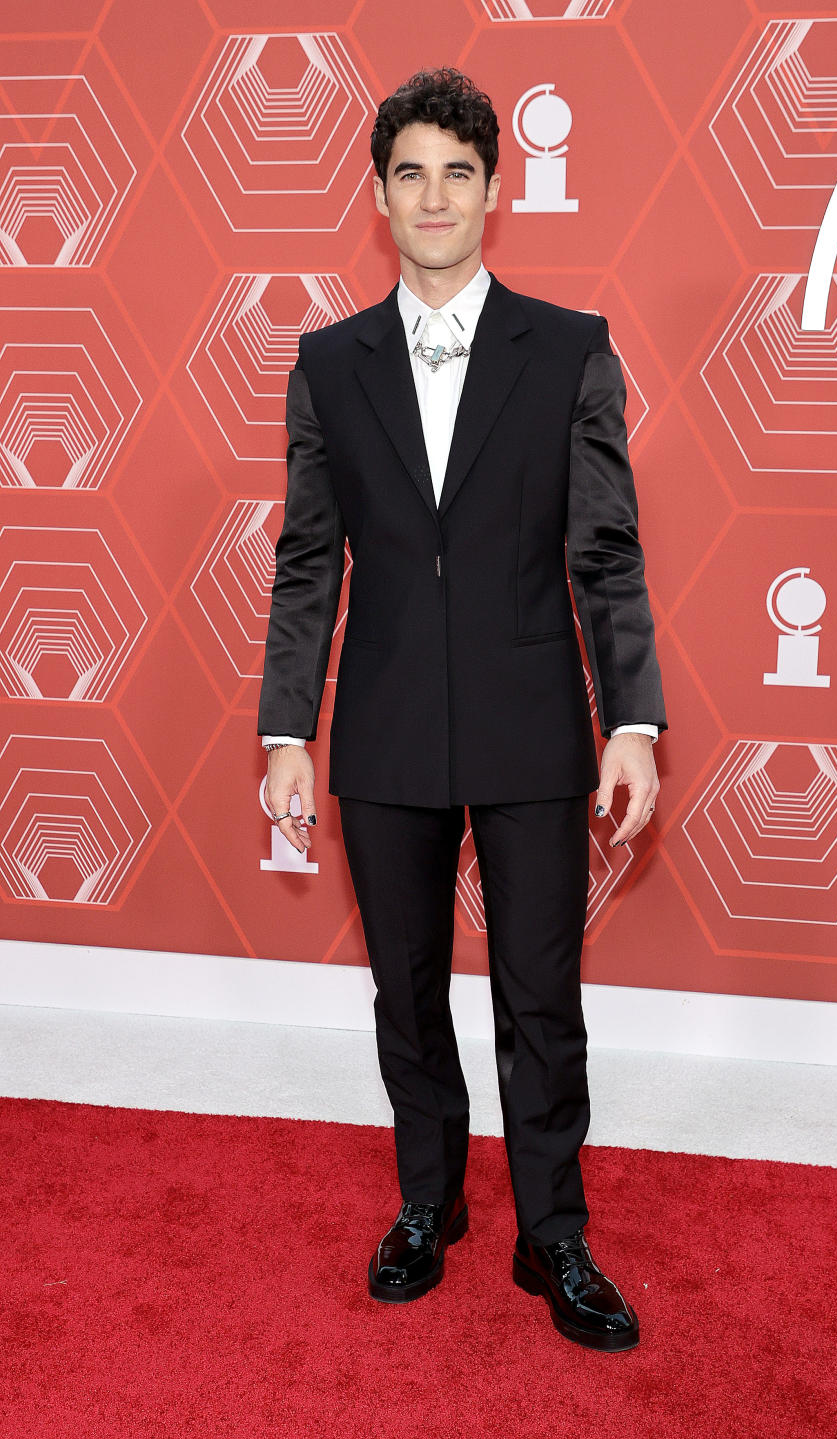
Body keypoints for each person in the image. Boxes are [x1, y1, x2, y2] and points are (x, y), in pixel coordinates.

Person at [257, 67, 666, 1353]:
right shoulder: (328, 365)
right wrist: (285, 730)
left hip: (536, 717)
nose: (434, 196)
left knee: (542, 995)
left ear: (495, 189)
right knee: (407, 986)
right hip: (381, 725)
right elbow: (309, 558)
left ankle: (555, 1230)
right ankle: (427, 1202)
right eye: (410, 173)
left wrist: (635, 721)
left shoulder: (572, 349)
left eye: (458, 171)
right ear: (379, 198)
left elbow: (606, 554)